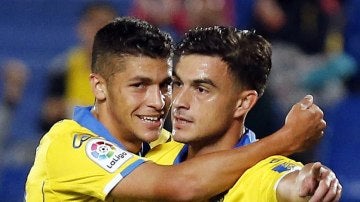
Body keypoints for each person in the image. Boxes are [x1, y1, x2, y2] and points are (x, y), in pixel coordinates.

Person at [26, 17, 326, 201]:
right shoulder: (68, 144)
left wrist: (308, 183)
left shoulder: (164, 149)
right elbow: (182, 184)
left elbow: (285, 183)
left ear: (244, 103)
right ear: (99, 87)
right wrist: (286, 139)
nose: (164, 102)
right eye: (138, 86)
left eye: (165, 85)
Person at [146, 27, 341, 201]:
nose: (179, 101)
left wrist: (311, 182)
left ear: (243, 103)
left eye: (201, 89)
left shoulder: (265, 172)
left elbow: (292, 183)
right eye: (178, 84)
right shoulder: (152, 150)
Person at [40, 1, 118, 133]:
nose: (98, 30)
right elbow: (47, 120)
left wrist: (70, 109)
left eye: (104, 24)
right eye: (92, 23)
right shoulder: (62, 67)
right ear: (81, 28)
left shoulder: (129, 70)